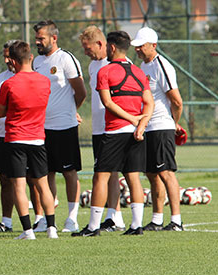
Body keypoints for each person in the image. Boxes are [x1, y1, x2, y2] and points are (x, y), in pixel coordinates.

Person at [73, 31, 154, 237]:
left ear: (111, 48)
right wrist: (140, 123)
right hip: (135, 132)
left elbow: (108, 103)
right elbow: (149, 103)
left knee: (100, 177)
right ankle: (136, 226)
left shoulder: (105, 72)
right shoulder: (138, 72)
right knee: (133, 177)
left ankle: (93, 227)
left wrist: (132, 119)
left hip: (115, 131)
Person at [0, 40, 58, 240]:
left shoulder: (9, 84)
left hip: (15, 139)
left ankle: (27, 231)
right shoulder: (45, 81)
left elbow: (1, 112)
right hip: (38, 138)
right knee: (43, 185)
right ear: (30, 58)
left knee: (19, 185)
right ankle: (51, 229)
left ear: (12, 61)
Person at [32, 20, 86, 233]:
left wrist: (71, 109)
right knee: (46, 173)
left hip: (65, 126)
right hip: (41, 127)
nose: (37, 42)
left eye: (41, 38)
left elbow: (80, 91)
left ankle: (72, 217)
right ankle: (48, 217)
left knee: (69, 172)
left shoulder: (66, 59)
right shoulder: (36, 62)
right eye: (36, 38)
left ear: (54, 38)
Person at [132, 27, 185, 231]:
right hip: (148, 127)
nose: (137, 49)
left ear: (153, 45)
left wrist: (174, 123)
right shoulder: (142, 67)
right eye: (136, 46)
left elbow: (177, 101)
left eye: (141, 46)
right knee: (152, 173)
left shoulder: (161, 65)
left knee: (166, 173)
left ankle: (177, 220)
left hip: (162, 125)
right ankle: (156, 219)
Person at [79, 26, 126, 232]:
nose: (86, 52)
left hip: (115, 127)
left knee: (108, 173)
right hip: (99, 128)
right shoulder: (92, 65)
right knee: (111, 174)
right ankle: (115, 217)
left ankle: (110, 220)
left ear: (101, 44)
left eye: (88, 48)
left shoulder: (119, 63)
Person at [0, 41, 17, 232]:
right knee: (5, 179)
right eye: (4, 56)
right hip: (3, 134)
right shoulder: (2, 77)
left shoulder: (33, 75)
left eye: (10, 56)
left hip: (25, 135)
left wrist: (4, 101)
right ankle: (6, 222)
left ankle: (41, 220)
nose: (6, 60)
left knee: (32, 178)